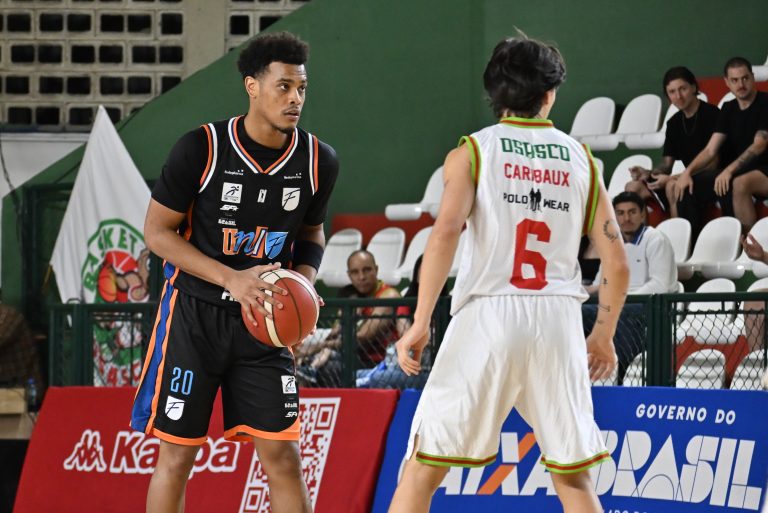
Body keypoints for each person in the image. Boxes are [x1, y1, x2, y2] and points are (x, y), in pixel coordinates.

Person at [388, 36, 629, 513]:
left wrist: (420, 321)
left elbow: (445, 234)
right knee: (573, 478)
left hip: (489, 316)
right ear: (549, 94)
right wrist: (603, 336)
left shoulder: (473, 152)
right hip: (558, 320)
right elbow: (618, 264)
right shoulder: (582, 159)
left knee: (422, 468)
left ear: (494, 93)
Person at [130, 32, 338, 513]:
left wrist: (303, 283)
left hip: (264, 323)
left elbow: (312, 233)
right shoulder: (200, 148)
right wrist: (232, 279)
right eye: (284, 86)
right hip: (194, 319)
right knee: (177, 457)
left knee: (283, 457)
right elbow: (157, 234)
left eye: (302, 88)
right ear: (252, 86)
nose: (295, 99)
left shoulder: (318, 160)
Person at [584, 192, 677, 381]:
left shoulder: (655, 239)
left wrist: (619, 299)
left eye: (632, 212)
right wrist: (587, 291)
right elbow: (600, 284)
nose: (626, 218)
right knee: (580, 311)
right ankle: (584, 372)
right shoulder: (611, 245)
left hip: (652, 308)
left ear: (643, 215)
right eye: (620, 213)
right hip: (622, 304)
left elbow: (660, 285)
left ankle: (620, 373)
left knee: (617, 312)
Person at [675, 57, 768, 234]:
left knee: (739, 182)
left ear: (753, 77)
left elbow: (759, 145)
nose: (741, 84)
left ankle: (748, 245)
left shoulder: (765, 103)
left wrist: (729, 170)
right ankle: (692, 242)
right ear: (727, 82)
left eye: (745, 78)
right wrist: (687, 173)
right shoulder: (728, 108)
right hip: (740, 170)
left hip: (763, 169)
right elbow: (710, 150)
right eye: (735, 80)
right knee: (689, 185)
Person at [625, 67, 719, 224]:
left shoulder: (712, 114)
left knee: (671, 185)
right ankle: (643, 237)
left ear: (694, 87)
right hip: (685, 177)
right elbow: (666, 165)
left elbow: (713, 163)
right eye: (672, 92)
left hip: (713, 177)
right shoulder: (673, 123)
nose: (678, 96)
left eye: (683, 89)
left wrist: (674, 177)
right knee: (632, 187)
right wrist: (649, 173)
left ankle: (679, 236)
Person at [295, 249, 400, 386]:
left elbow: (362, 337)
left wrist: (318, 346)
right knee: (305, 363)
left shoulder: (388, 295)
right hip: (353, 357)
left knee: (330, 368)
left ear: (376, 269)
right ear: (349, 275)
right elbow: (335, 332)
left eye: (367, 270)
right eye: (355, 272)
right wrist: (311, 352)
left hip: (379, 362)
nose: (361, 277)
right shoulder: (353, 297)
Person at [356, 254, 449, 389]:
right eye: (423, 272)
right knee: (357, 375)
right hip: (403, 364)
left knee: (377, 379)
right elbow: (406, 335)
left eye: (433, 272)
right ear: (417, 276)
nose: (428, 276)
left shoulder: (449, 304)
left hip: (433, 370)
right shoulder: (406, 302)